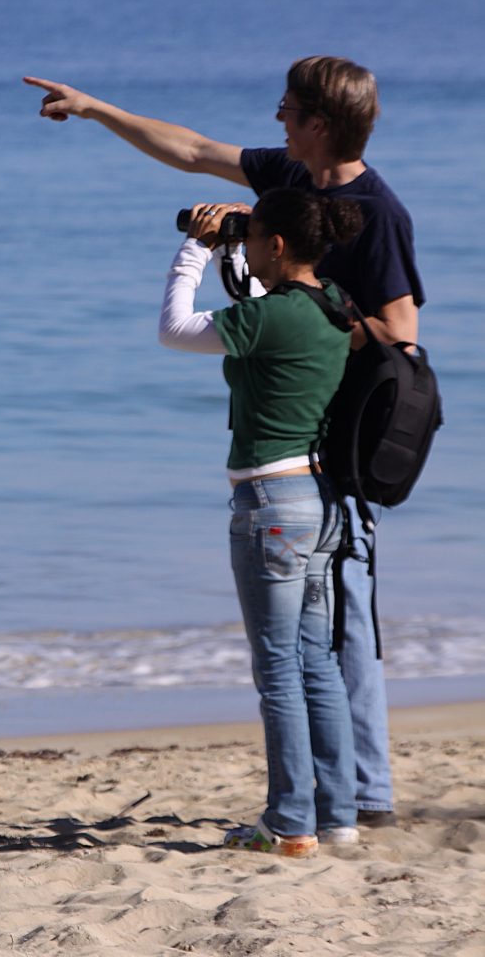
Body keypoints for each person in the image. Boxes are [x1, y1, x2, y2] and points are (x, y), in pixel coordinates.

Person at [25, 57, 425, 824]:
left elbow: (402, 335)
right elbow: (193, 150)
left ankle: (365, 794)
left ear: (318, 123)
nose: (276, 119)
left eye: (287, 108)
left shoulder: (379, 210)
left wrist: (306, 316)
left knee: (342, 624)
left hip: (336, 446)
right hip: (299, 441)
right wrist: (94, 107)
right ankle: (344, 802)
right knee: (317, 635)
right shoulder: (289, 180)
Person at [159, 189, 362, 855]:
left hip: (271, 507)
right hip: (322, 500)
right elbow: (263, 301)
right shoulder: (332, 303)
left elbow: (174, 329)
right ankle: (337, 819)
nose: (241, 246)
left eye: (251, 238)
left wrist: (194, 248)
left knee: (276, 670)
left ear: (275, 245)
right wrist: (234, 245)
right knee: (317, 665)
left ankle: (289, 824)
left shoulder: (272, 317)